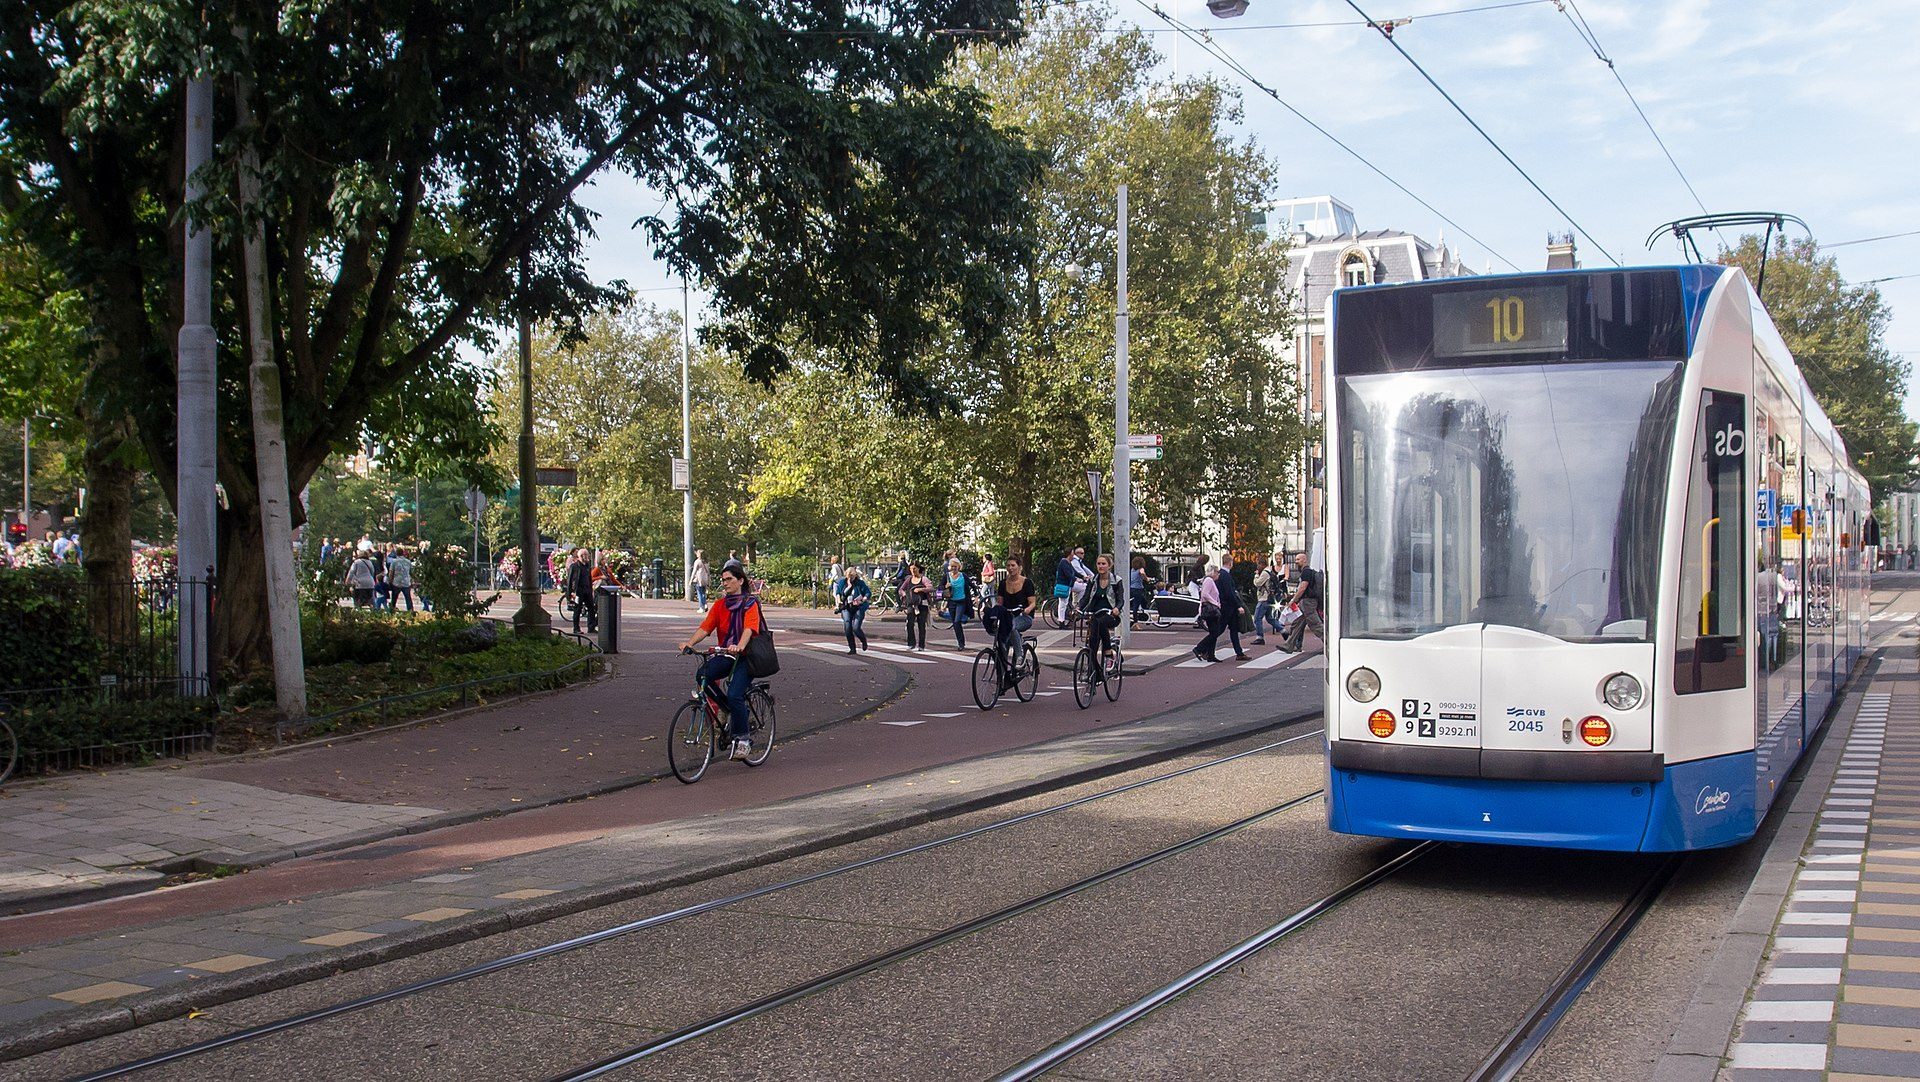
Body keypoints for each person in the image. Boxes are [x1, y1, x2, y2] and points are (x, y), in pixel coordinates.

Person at [679, 563, 765, 761]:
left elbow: (750, 629)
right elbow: (706, 628)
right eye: (723, 580)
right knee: (702, 675)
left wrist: (740, 646)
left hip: (746, 656)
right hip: (726, 654)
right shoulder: (720, 605)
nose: (724, 583)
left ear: (740, 581)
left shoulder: (750, 604)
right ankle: (726, 707)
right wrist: (689, 644)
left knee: (735, 693)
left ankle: (743, 739)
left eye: (729, 579)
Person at [987, 555, 1038, 669]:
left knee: (1011, 627)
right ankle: (1003, 670)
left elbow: (1033, 603)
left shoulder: (1027, 583)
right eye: (1008, 565)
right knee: (1001, 639)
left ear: (1019, 567)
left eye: (1013, 565)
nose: (1010, 568)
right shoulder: (1003, 583)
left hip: (1023, 617)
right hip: (1007, 616)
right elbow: (1000, 603)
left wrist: (1027, 610)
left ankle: (1020, 656)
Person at [1080, 554, 1123, 670]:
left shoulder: (1116, 580)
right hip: (1095, 614)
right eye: (1098, 563)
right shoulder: (1093, 580)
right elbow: (1086, 597)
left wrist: (1117, 608)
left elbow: (1120, 599)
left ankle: (1108, 653)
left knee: (1100, 622)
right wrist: (1078, 608)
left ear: (1109, 566)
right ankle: (1094, 672)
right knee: (1092, 644)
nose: (1100, 566)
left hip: (1111, 615)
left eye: (1103, 564)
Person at [1279, 551, 1326, 654]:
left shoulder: (1306, 572)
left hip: (1308, 602)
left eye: (1298, 559)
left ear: (1304, 560)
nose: (1296, 562)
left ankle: (1330, 643)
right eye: (1295, 559)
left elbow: (1303, 587)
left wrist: (1293, 600)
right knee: (1297, 623)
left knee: (1315, 625)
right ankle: (1290, 645)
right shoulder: (1307, 572)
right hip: (1306, 602)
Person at [1214, 557, 1249, 660]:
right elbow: (1230, 593)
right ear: (1230, 563)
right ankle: (1203, 648)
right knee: (1219, 630)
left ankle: (1239, 653)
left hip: (1228, 607)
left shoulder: (1222, 574)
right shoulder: (1225, 575)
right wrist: (1238, 605)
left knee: (1233, 630)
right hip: (1227, 607)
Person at [834, 564, 871, 654]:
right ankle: (852, 648)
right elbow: (838, 593)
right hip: (847, 607)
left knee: (856, 628)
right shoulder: (842, 582)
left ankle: (863, 640)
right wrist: (839, 602)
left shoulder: (860, 583)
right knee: (847, 626)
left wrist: (863, 599)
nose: (850, 578)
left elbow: (867, 593)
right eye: (849, 576)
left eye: (852, 576)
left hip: (858, 607)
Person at [1252, 551, 1287, 645]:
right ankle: (1283, 630)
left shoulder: (1264, 573)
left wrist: (1256, 575)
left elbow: (1258, 583)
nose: (1257, 567)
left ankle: (1260, 637)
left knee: (1257, 618)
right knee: (1270, 618)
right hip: (1270, 598)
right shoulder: (1270, 571)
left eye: (1258, 564)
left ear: (1261, 564)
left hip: (1264, 598)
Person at [900, 561, 934, 650]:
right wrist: (904, 595)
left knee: (921, 624)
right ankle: (911, 643)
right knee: (909, 623)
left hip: (922, 604)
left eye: (914, 568)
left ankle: (921, 645)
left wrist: (921, 589)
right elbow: (901, 589)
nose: (913, 571)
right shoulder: (909, 579)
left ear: (918, 569)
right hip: (911, 604)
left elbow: (930, 588)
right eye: (911, 569)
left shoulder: (924, 579)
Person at [1193, 564, 1223, 662]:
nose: (1218, 575)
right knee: (1215, 633)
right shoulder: (1209, 580)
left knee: (1213, 632)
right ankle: (1199, 648)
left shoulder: (1208, 580)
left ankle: (1210, 654)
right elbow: (1205, 594)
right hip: (1210, 610)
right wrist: (1215, 603)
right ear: (1213, 572)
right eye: (1217, 572)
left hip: (1210, 609)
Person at [566, 549, 597, 634]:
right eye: (586, 555)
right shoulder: (574, 566)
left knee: (591, 608)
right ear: (581, 556)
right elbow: (570, 580)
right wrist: (569, 593)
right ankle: (576, 629)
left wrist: (591, 590)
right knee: (577, 609)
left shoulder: (587, 566)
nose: (588, 557)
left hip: (587, 590)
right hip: (578, 591)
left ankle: (591, 627)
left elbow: (589, 579)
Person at [943, 557, 970, 649]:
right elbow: (939, 588)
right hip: (951, 602)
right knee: (955, 623)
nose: (954, 568)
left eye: (955, 566)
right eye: (952, 566)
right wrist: (945, 586)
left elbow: (972, 586)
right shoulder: (947, 576)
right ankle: (960, 642)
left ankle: (961, 644)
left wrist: (977, 597)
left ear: (959, 566)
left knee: (957, 621)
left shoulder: (963, 576)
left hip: (961, 602)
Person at [387, 545, 416, 613]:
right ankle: (410, 611)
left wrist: (390, 581)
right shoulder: (408, 561)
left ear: (396, 553)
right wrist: (413, 580)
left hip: (396, 582)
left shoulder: (394, 562)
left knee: (394, 598)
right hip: (406, 581)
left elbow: (391, 572)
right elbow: (411, 572)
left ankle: (391, 610)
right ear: (403, 553)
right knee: (408, 598)